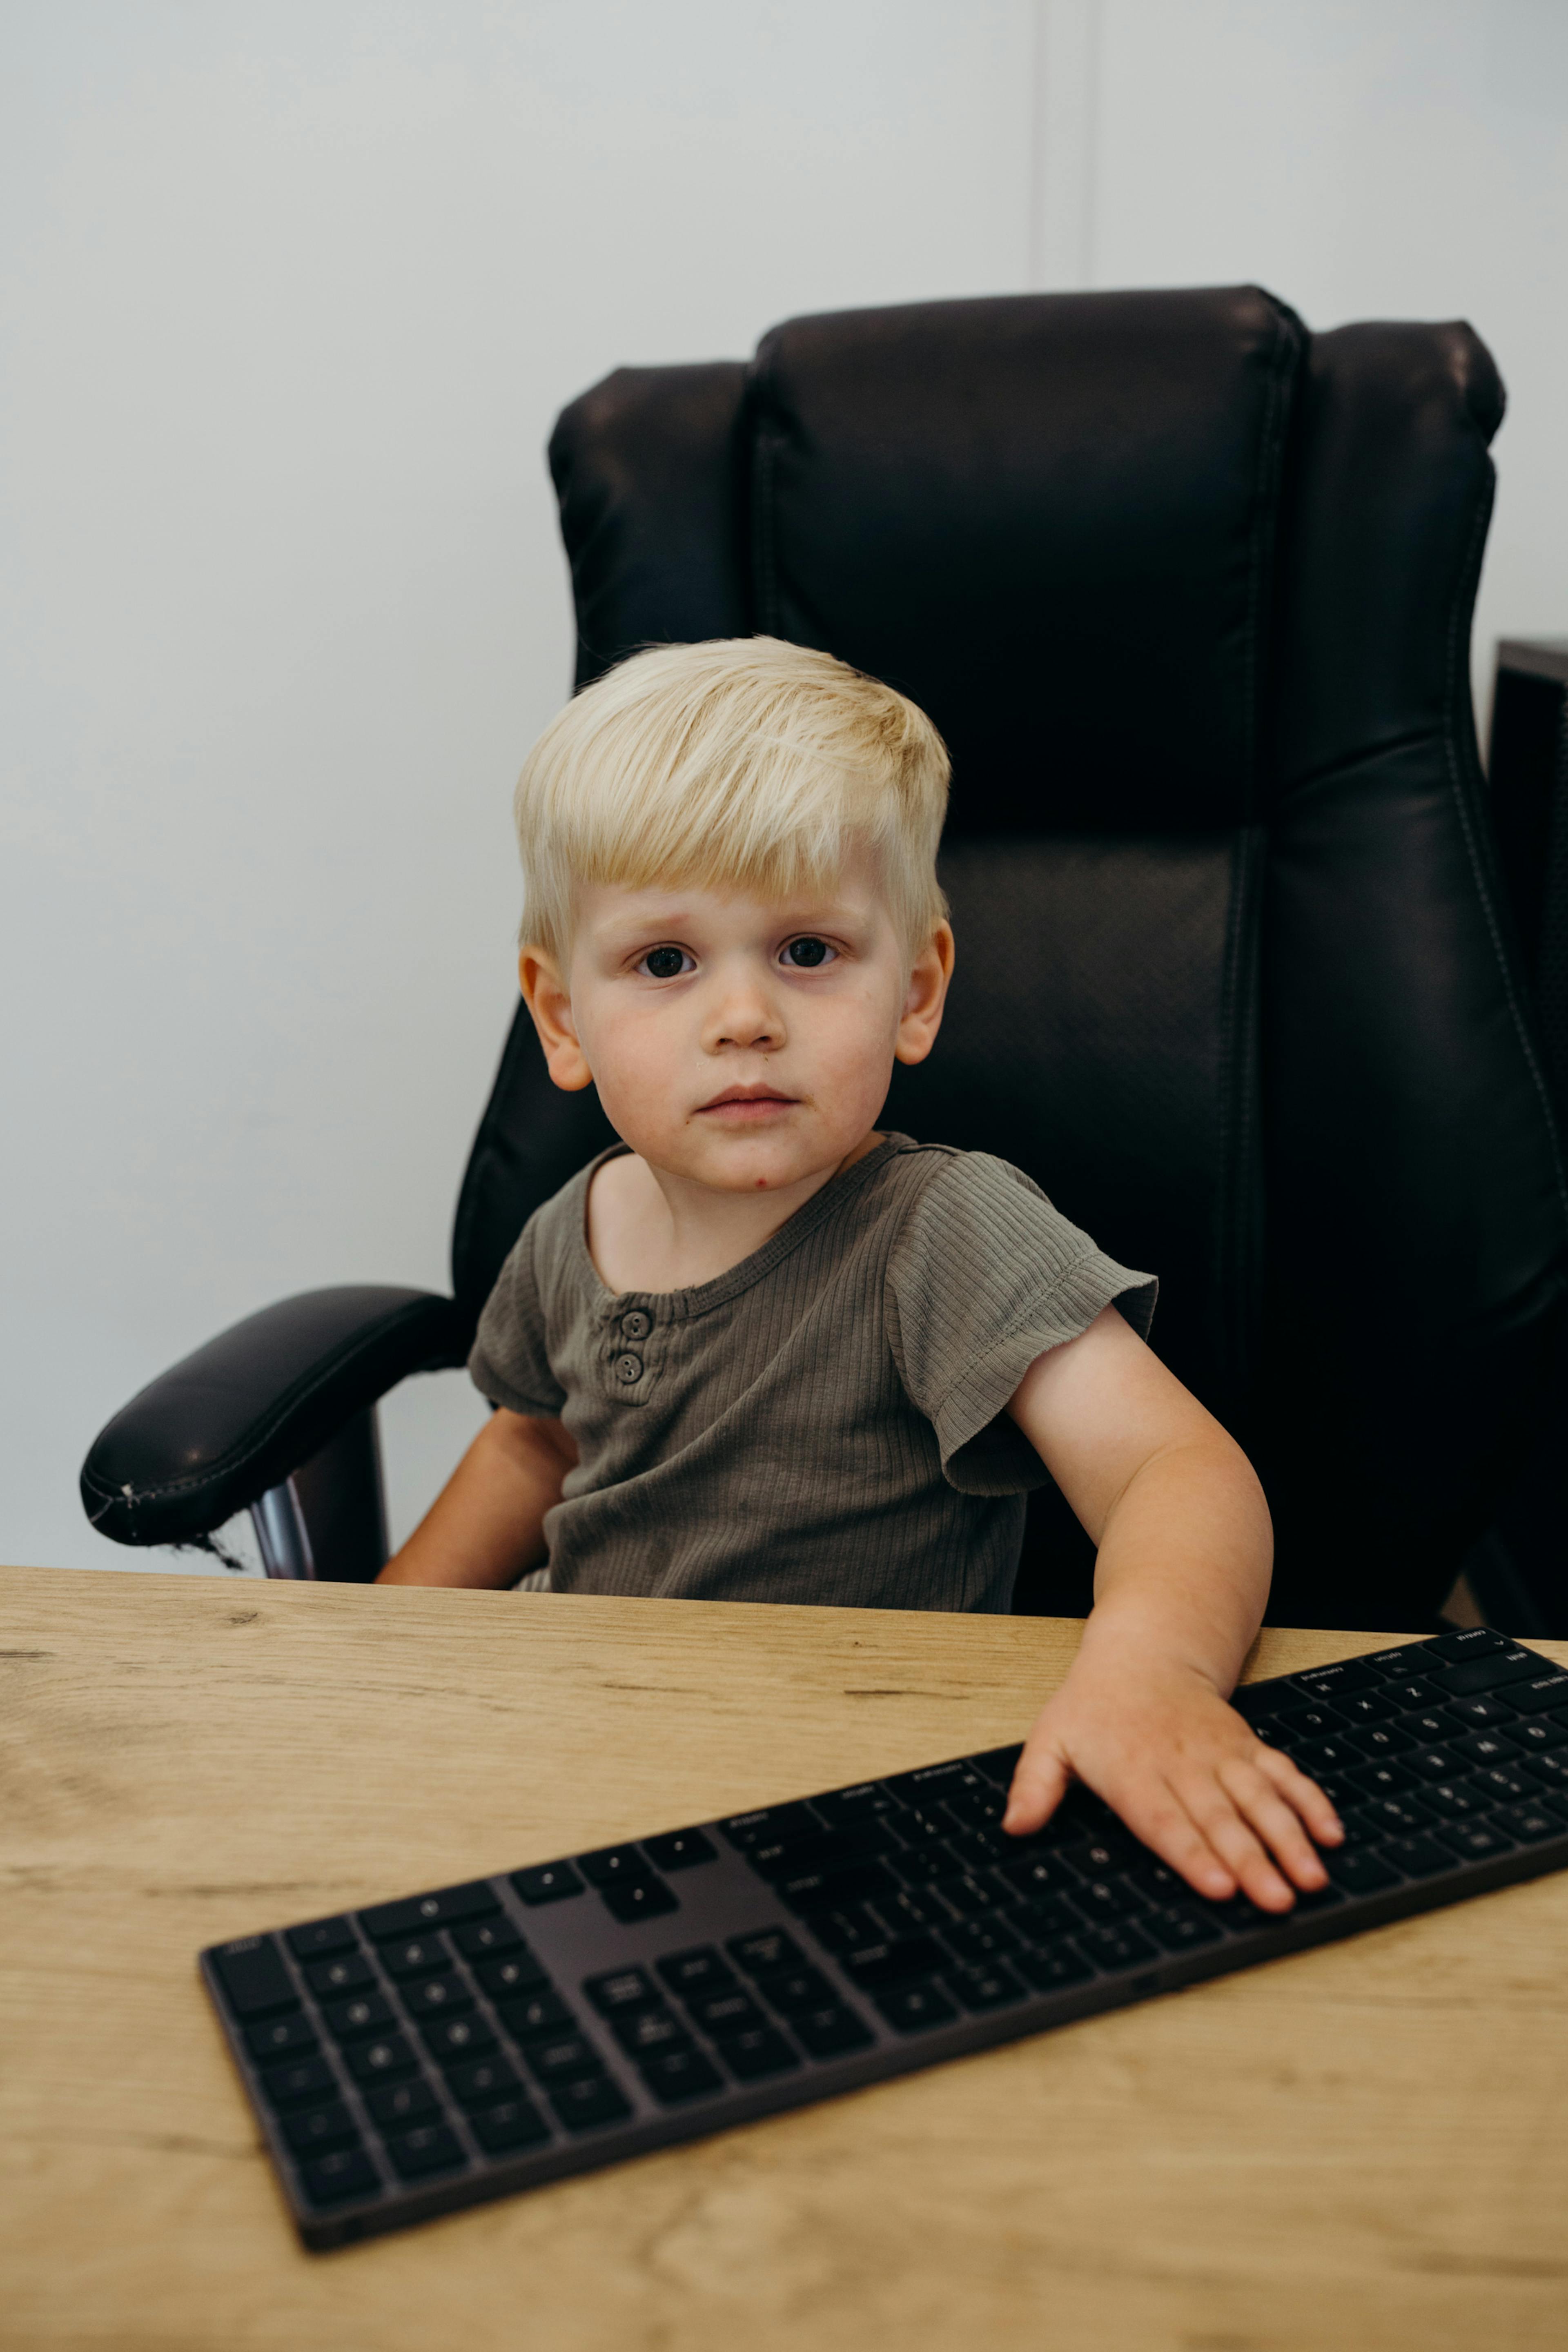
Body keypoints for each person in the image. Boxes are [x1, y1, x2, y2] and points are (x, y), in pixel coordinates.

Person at [381, 637, 1341, 1912]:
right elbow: (534, 1449)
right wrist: (379, 1644)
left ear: (918, 991)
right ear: (561, 1018)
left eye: (809, 953)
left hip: (844, 1792)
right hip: (586, 1756)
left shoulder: (943, 1229)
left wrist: (1153, 1670)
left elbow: (1179, 1470)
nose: (742, 1018)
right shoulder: (573, 1226)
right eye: (666, 963)